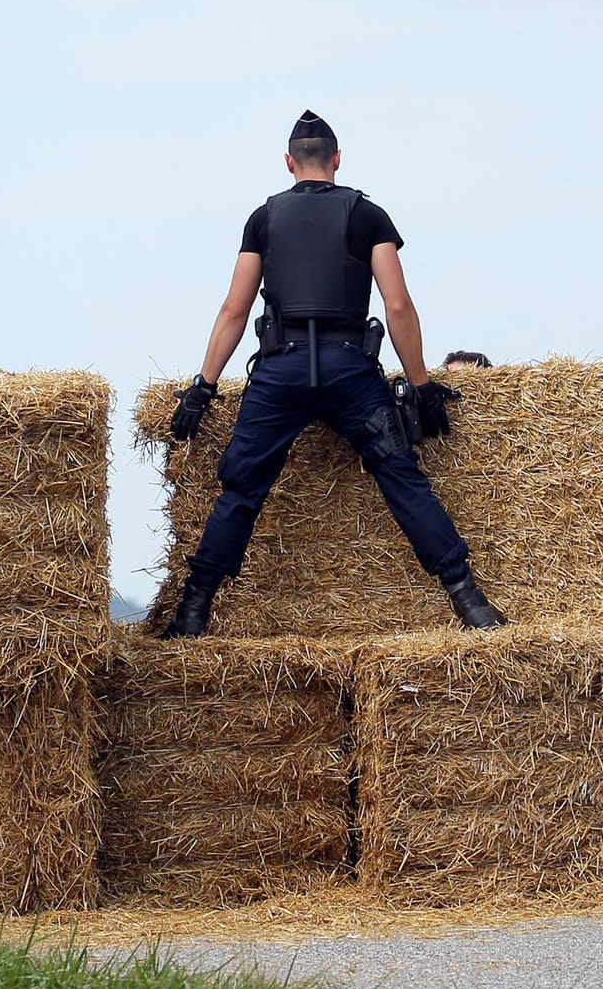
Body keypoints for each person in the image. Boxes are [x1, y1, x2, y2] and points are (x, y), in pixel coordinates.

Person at [162, 110, 507, 638]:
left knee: (241, 487)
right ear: (338, 160)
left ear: (288, 164)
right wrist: (422, 385)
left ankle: (193, 611)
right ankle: (469, 601)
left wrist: (202, 388)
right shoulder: (368, 215)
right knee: (401, 476)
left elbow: (235, 309)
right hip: (350, 370)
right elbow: (398, 307)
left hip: (281, 371)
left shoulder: (263, 218)